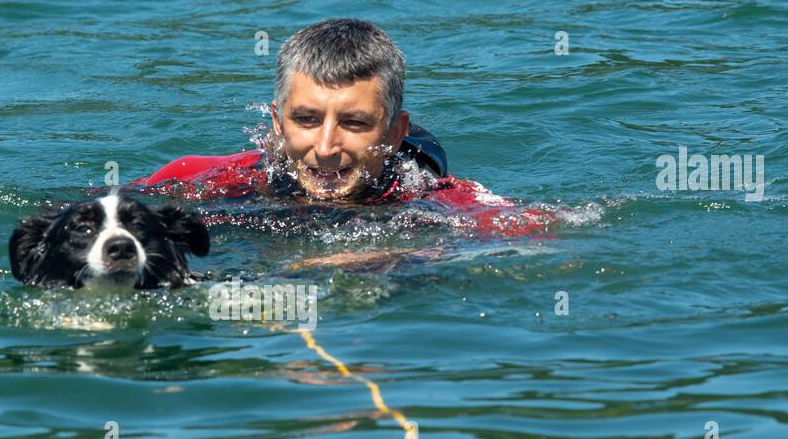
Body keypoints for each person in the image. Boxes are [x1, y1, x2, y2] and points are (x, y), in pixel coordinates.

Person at [132, 18, 552, 268]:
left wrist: (408, 255)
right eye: (307, 120)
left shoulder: (440, 201)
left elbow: (547, 239)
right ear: (278, 123)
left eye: (354, 123)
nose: (327, 147)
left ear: (394, 132)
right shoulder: (199, 178)